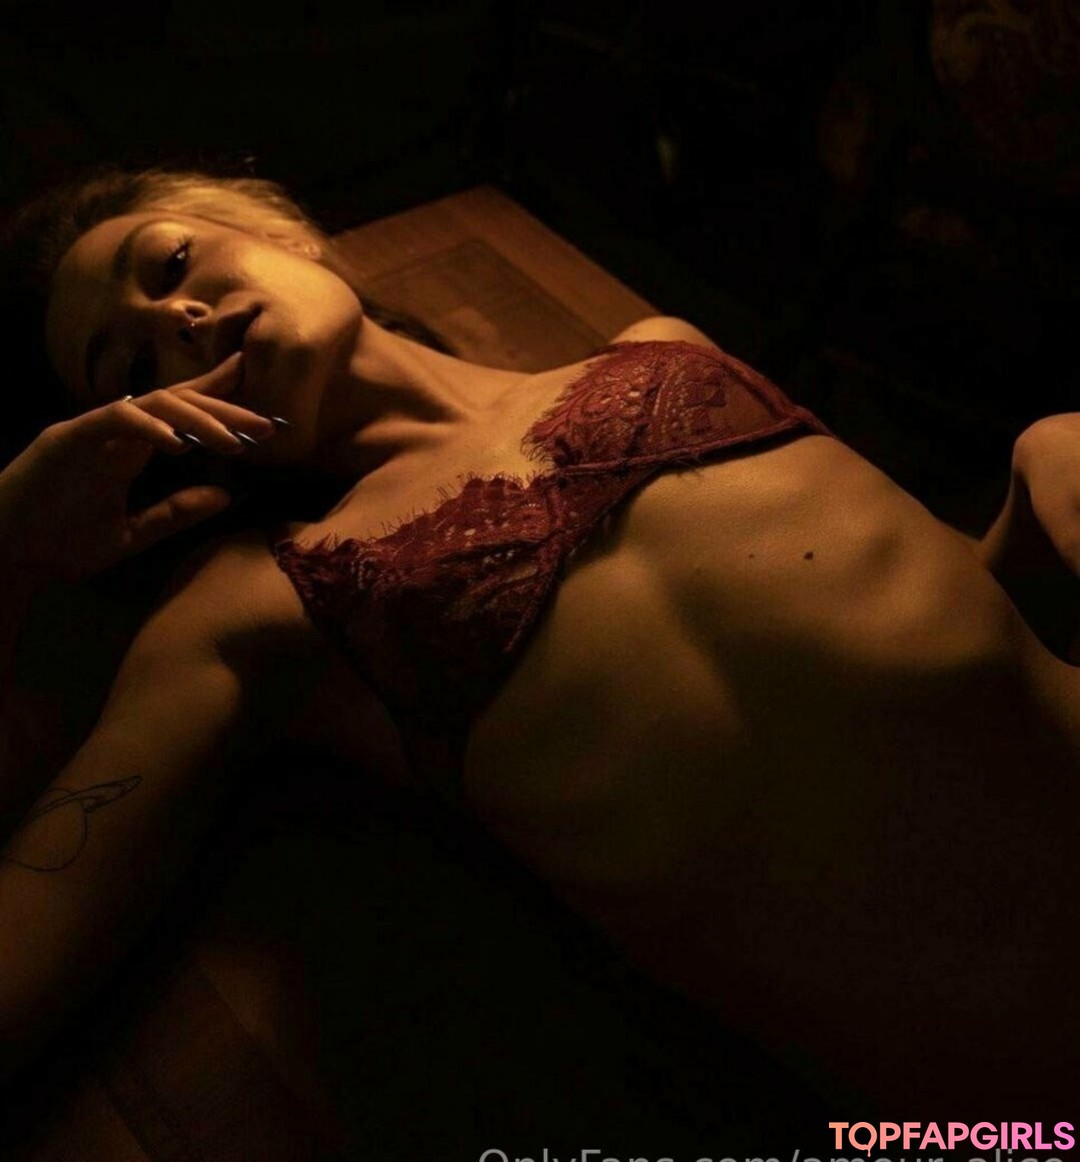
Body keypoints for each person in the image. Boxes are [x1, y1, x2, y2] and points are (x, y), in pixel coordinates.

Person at [0, 168, 1076, 1115]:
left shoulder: (663, 347)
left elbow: (923, 620)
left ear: (276, 231)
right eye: (129, 364)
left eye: (171, 264)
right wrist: (10, 557)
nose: (179, 319)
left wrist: (1038, 479)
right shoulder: (261, 606)